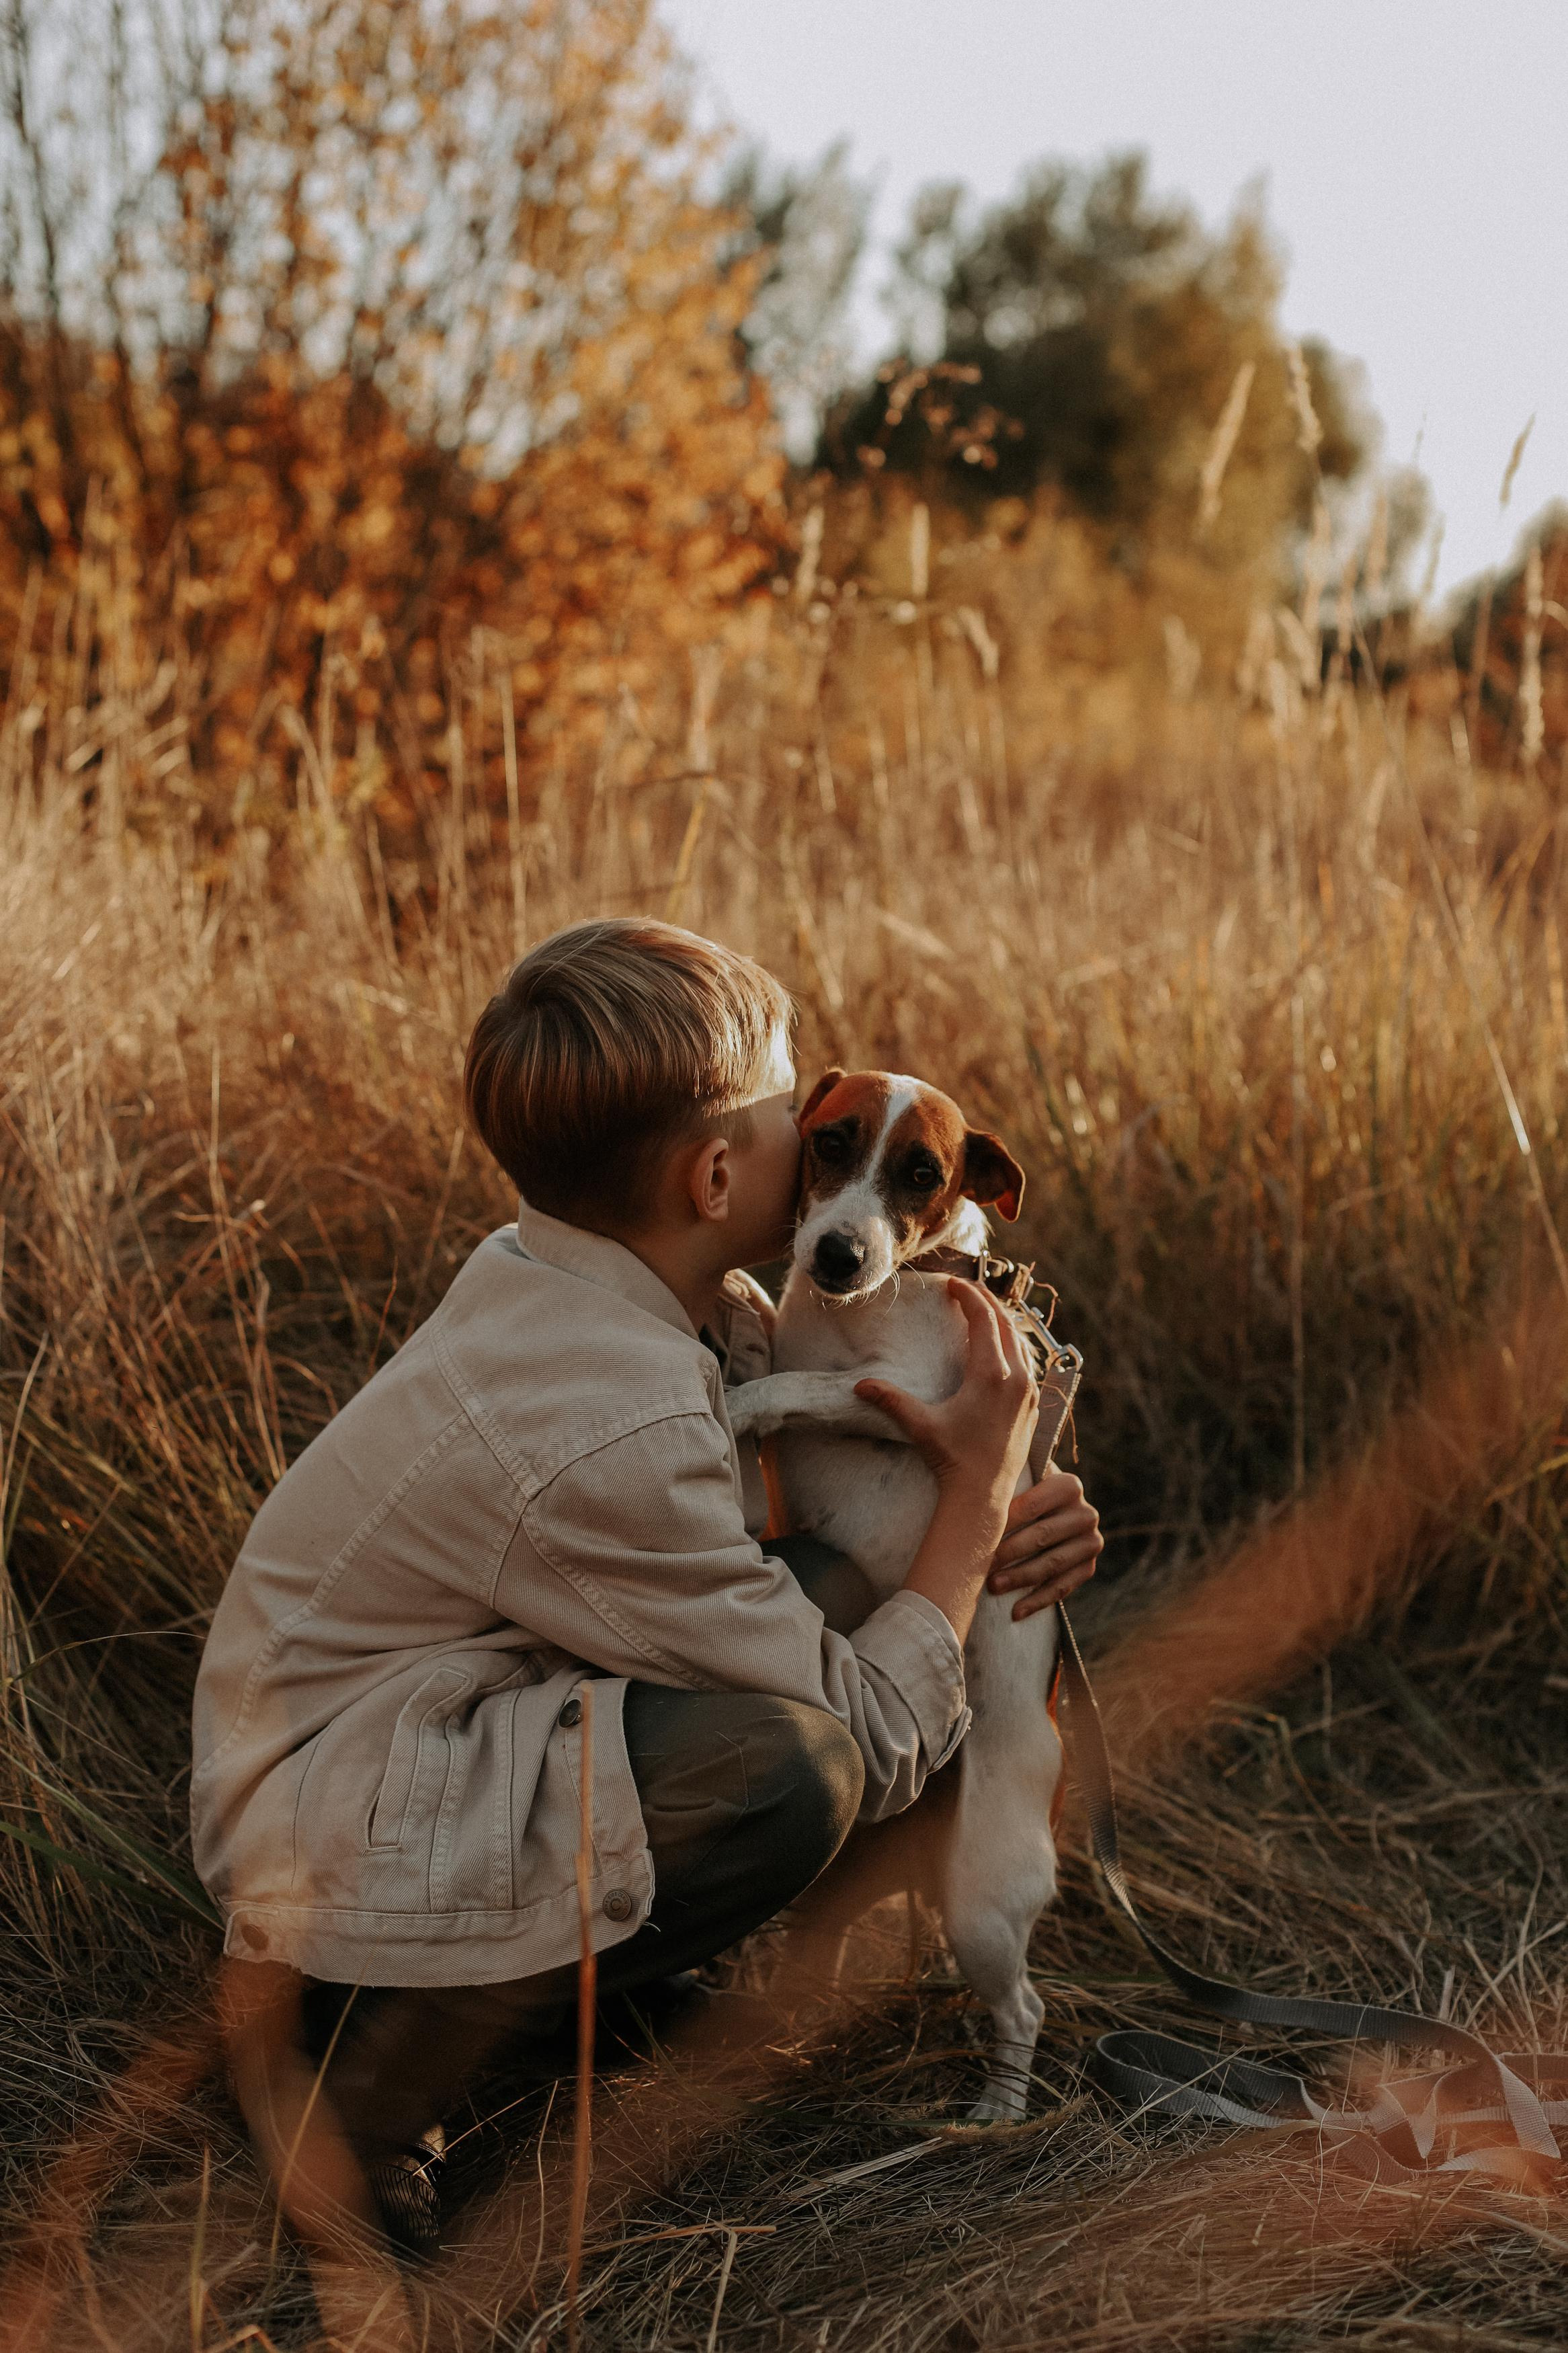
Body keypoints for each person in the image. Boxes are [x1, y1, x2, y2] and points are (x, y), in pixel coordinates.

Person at [191, 918, 1102, 2255]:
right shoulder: (603, 1418)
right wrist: (971, 1511)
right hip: (330, 1838)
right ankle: (357, 2100)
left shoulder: (613, 1289)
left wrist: (1022, 1512)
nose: (816, 1131)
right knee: (791, 1761)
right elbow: (878, 1719)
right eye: (801, 1107)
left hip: (429, 1731)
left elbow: (811, 1550)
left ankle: (562, 1983)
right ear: (722, 1166)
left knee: (850, 1610)